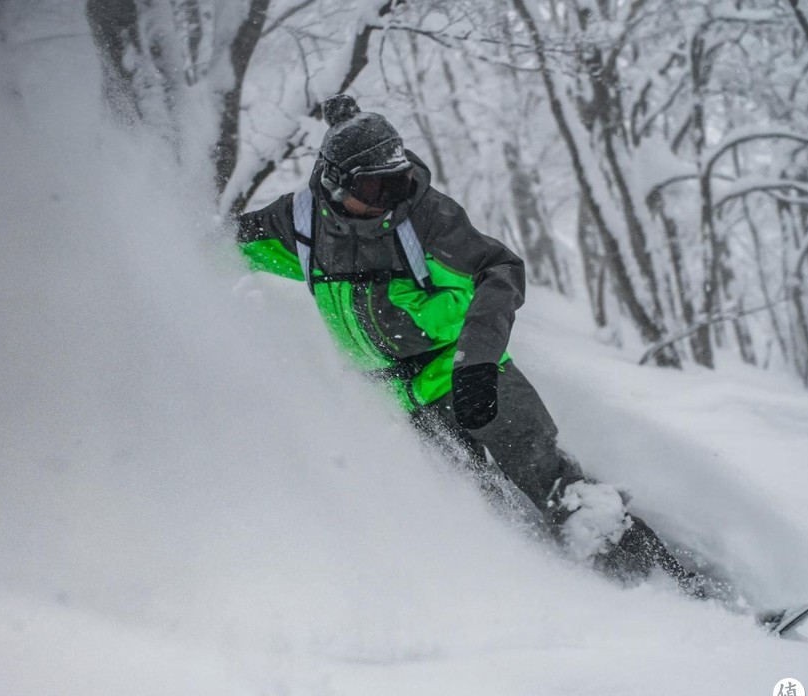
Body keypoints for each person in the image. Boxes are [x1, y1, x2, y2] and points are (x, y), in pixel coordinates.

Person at [234, 94, 703, 595]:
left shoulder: (427, 218)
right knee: (478, 509)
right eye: (376, 186)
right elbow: (220, 248)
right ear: (335, 179)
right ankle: (562, 600)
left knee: (553, 482)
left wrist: (476, 362)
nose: (392, 196)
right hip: (394, 400)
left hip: (468, 372)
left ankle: (676, 590)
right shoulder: (301, 224)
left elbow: (500, 271)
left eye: (399, 181)